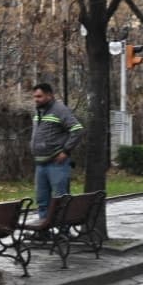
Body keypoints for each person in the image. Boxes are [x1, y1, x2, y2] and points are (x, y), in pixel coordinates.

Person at [29, 81, 84, 227]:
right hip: (40, 163)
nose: (36, 100)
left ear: (49, 95)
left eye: (39, 96)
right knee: (42, 199)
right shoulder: (39, 111)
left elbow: (77, 130)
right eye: (34, 97)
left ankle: (63, 230)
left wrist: (66, 151)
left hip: (56, 163)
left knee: (60, 198)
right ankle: (44, 229)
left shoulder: (60, 110)